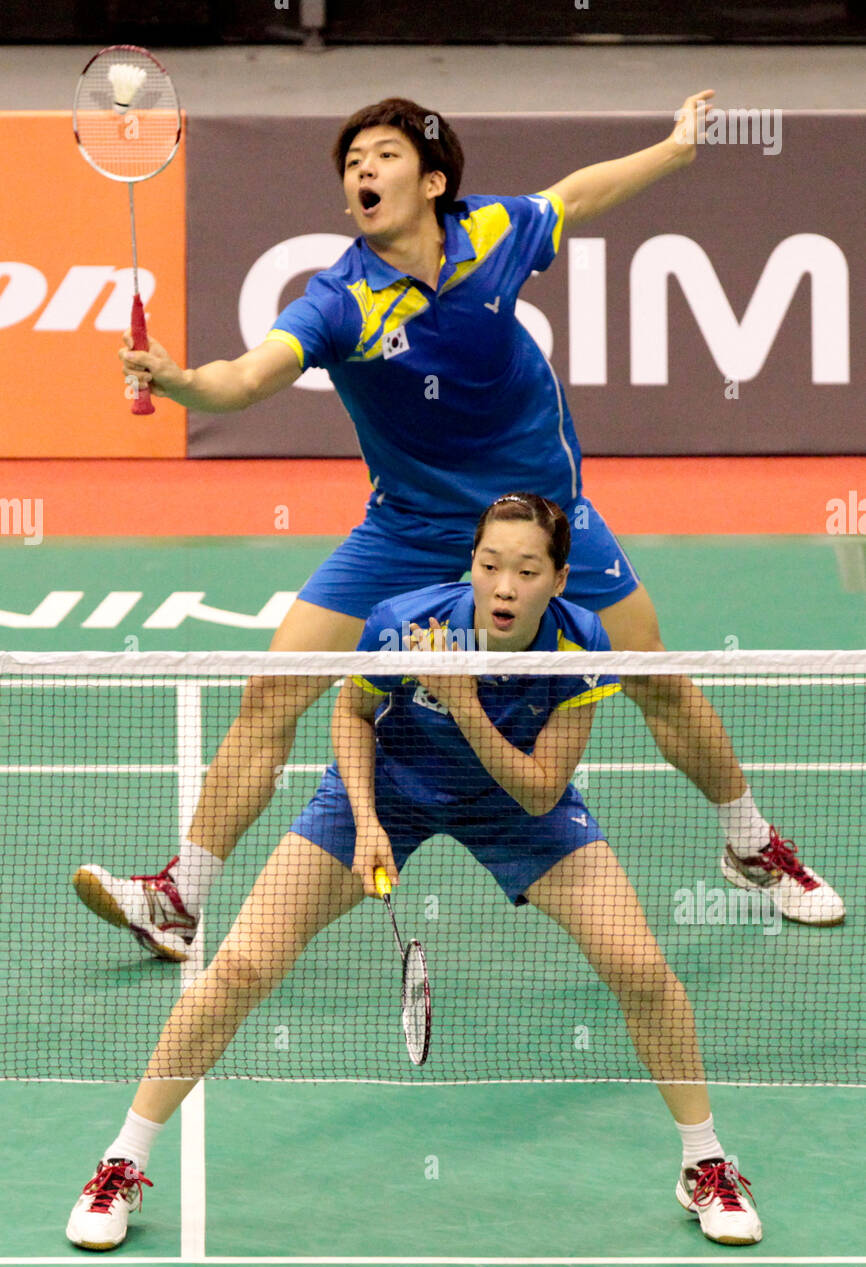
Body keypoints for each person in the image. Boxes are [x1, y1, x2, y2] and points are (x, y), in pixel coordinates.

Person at [72, 93, 842, 961]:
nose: (363, 167)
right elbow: (248, 379)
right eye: (353, 158)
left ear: (434, 180)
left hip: (539, 521)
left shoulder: (488, 235)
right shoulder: (340, 302)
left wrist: (673, 150)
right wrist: (180, 382)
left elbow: (575, 198)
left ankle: (751, 845)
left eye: (385, 154)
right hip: (410, 525)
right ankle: (181, 898)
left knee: (652, 676)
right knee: (273, 688)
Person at [66, 495, 762, 1250]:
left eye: (526, 571)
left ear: (559, 580)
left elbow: (537, 788)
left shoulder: (580, 644)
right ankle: (121, 1160)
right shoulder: (406, 621)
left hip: (516, 802)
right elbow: (352, 714)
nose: (503, 586)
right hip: (390, 786)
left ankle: (706, 1163)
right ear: (470, 563)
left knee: (642, 968)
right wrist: (366, 823)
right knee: (240, 965)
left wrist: (463, 703)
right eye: (490, 565)